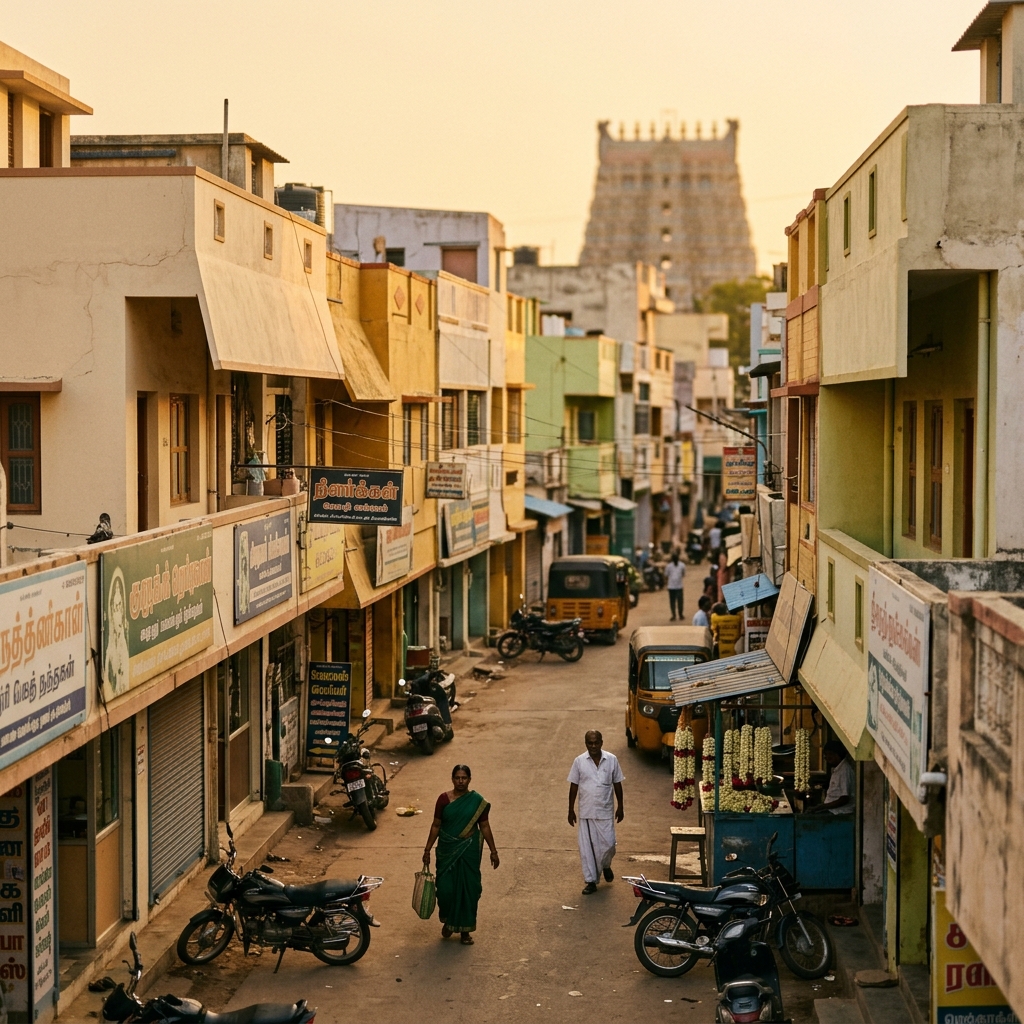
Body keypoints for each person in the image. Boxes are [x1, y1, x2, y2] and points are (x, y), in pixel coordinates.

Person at [423, 764, 499, 944]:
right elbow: (436, 825)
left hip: (468, 850)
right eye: (457, 778)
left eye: (464, 778)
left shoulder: (476, 801)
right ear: (452, 779)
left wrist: (493, 851)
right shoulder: (443, 800)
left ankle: (465, 932)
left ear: (469, 780)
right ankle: (449, 920)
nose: (460, 781)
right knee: (445, 890)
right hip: (447, 850)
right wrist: (427, 849)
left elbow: (485, 826)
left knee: (469, 890)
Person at [567, 731, 624, 895]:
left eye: (596, 743)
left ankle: (605, 865)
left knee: (609, 844)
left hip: (605, 811)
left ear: (601, 742)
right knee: (587, 849)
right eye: (589, 743)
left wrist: (621, 806)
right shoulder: (579, 761)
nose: (593, 746)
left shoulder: (611, 759)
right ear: (586, 743)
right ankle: (591, 881)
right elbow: (573, 786)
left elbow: (617, 783)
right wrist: (570, 810)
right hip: (586, 811)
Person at [816, 740, 855, 814]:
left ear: (838, 755)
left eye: (830, 755)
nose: (827, 758)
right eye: (826, 755)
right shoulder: (837, 769)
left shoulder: (844, 771)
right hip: (831, 810)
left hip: (839, 812)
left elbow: (844, 799)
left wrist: (823, 806)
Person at [665, 550, 686, 621]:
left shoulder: (669, 566)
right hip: (678, 586)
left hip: (672, 586)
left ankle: (674, 615)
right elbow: (683, 574)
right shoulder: (682, 565)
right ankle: (680, 615)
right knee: (679, 601)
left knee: (672, 602)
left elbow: (666, 575)